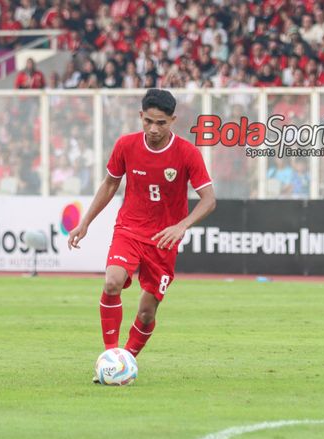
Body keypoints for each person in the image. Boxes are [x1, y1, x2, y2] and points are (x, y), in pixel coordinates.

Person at [67, 89, 216, 375]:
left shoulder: (187, 153)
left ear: (173, 120)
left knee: (147, 312)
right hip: (130, 229)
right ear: (140, 116)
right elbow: (110, 184)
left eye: (161, 123)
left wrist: (181, 225)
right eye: (148, 121)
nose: (153, 128)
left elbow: (209, 199)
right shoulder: (126, 145)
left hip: (163, 240)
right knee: (112, 282)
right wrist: (85, 222)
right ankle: (111, 358)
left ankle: (127, 360)